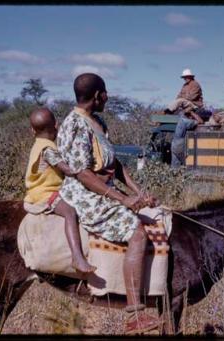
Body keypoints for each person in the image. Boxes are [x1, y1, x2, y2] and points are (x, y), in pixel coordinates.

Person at [57, 73, 159, 333]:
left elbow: (113, 163)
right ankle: (135, 313)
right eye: (105, 92)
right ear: (96, 95)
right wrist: (123, 199)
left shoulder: (97, 121)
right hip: (84, 193)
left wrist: (138, 192)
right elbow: (84, 175)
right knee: (137, 232)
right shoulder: (75, 124)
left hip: (103, 187)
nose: (108, 96)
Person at [24, 108, 97, 274]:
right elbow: (66, 169)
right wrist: (84, 170)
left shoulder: (39, 145)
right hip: (45, 193)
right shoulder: (47, 149)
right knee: (70, 212)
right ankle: (77, 257)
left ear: (32, 130)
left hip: (41, 190)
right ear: (56, 126)